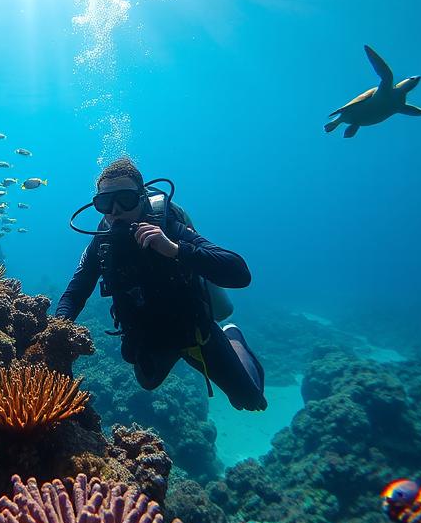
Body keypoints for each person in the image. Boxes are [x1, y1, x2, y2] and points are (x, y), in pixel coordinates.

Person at [56, 157, 268, 411]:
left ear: (142, 198)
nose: (115, 210)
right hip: (149, 340)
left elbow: (239, 273)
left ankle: (232, 336)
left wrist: (176, 250)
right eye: (104, 203)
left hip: (195, 333)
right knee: (147, 383)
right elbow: (75, 292)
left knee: (251, 401)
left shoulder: (169, 227)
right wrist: (57, 330)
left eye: (125, 199)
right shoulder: (103, 244)